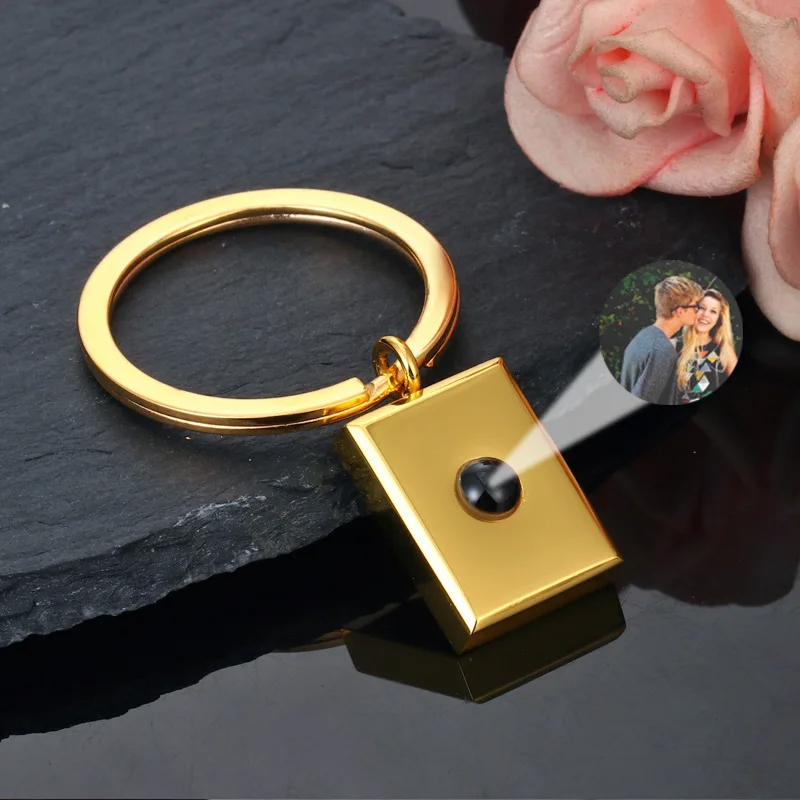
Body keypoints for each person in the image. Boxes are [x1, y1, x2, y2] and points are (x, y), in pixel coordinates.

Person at [620, 275, 703, 404]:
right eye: (695, 306)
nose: (698, 311)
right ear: (680, 311)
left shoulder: (643, 336)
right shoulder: (662, 351)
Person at [675, 289, 739, 403]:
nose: (705, 315)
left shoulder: (723, 350)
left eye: (713, 311)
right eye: (702, 308)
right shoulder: (675, 345)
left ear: (719, 319)